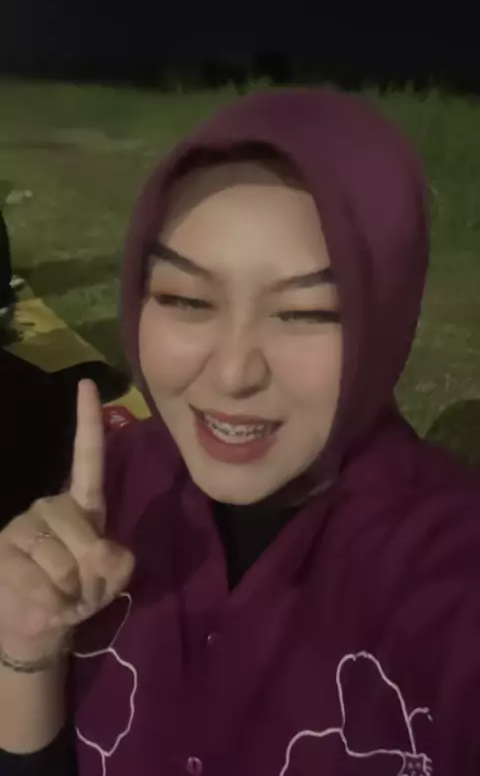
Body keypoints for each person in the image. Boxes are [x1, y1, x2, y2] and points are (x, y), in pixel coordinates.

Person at [0, 88, 479, 776]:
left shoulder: (444, 564)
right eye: (186, 300)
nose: (232, 374)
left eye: (306, 313)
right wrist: (27, 646)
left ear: (387, 316)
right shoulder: (109, 489)